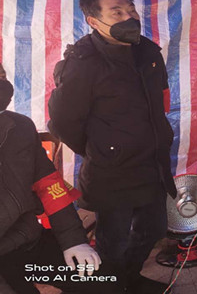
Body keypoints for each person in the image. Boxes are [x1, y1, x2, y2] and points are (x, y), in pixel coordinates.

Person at [48, 0, 176, 294]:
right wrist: (102, 148)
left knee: (154, 229)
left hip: (152, 163)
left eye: (130, 11)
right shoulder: (83, 61)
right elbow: (63, 121)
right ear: (93, 21)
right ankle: (111, 286)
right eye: (116, 13)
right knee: (112, 242)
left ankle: (129, 278)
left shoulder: (148, 52)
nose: (128, 18)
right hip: (112, 170)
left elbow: (160, 99)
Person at [0, 63, 114, 294]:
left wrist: (74, 240)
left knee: (104, 281)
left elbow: (50, 186)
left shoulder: (20, 127)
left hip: (27, 240)